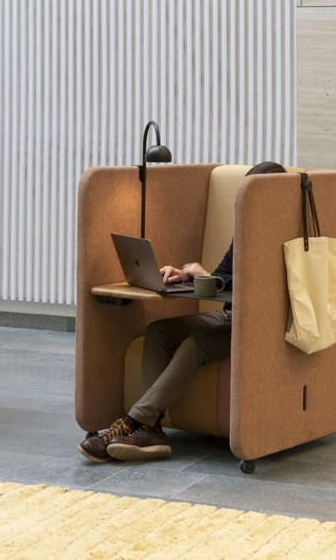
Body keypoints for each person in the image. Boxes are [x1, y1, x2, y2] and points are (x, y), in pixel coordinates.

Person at [78, 161, 287, 463]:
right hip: (230, 315)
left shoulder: (284, 238)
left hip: (258, 324)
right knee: (159, 331)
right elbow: (224, 278)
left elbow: (265, 293)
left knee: (196, 344)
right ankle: (151, 429)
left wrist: (209, 278)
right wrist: (191, 276)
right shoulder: (246, 227)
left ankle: (132, 422)